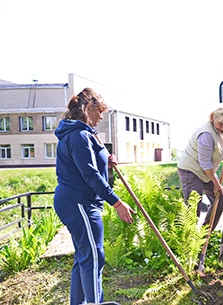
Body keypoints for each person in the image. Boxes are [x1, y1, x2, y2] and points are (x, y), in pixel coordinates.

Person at [53, 88, 136, 305]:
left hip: (78, 201)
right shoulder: (79, 135)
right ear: (87, 108)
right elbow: (89, 175)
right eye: (99, 111)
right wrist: (117, 203)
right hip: (78, 202)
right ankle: (94, 303)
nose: (101, 116)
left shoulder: (82, 132)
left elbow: (85, 164)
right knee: (93, 256)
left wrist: (105, 161)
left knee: (85, 257)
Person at [177, 103, 223, 231]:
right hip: (191, 169)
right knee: (193, 208)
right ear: (213, 117)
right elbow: (205, 164)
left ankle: (204, 236)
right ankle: (187, 244)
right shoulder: (206, 134)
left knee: (221, 199)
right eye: (221, 124)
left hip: (205, 171)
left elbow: (220, 144)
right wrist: (216, 183)